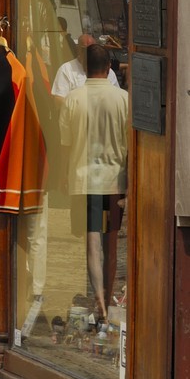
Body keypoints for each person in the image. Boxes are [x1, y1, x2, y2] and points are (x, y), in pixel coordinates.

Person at [59, 43, 129, 324]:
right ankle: (108, 299)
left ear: (85, 67)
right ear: (109, 67)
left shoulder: (73, 99)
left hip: (83, 179)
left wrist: (64, 177)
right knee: (111, 241)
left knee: (92, 241)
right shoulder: (123, 99)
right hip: (114, 180)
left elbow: (65, 145)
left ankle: (98, 296)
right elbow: (131, 145)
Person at [51, 33, 119, 101]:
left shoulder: (106, 70)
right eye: (84, 49)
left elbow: (116, 95)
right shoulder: (66, 69)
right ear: (77, 48)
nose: (88, 52)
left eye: (91, 49)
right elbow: (58, 98)